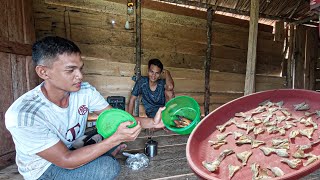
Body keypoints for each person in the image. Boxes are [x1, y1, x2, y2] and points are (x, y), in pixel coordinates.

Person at [5, 36, 165, 180]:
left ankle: (103, 153)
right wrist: (114, 139)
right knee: (108, 166)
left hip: (72, 147)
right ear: (43, 72)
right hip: (46, 169)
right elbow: (66, 160)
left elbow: (116, 118)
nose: (80, 76)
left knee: (110, 132)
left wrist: (153, 122)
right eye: (70, 70)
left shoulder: (84, 90)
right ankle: (104, 156)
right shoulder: (25, 114)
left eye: (80, 68)